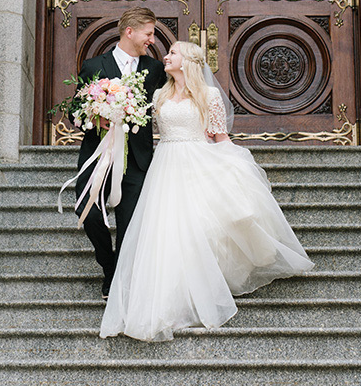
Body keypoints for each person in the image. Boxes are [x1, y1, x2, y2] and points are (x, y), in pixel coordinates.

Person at [100, 40, 314, 341]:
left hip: (196, 161)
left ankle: (197, 290)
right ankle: (167, 298)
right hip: (165, 165)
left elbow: (218, 135)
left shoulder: (208, 95)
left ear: (186, 60)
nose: (166, 56)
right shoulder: (159, 93)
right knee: (166, 232)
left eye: (172, 53)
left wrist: (238, 164)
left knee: (197, 228)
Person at [72, 7, 166, 299]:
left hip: (137, 160)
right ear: (130, 31)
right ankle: (108, 264)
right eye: (148, 34)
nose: (151, 40)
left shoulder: (154, 70)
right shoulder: (92, 66)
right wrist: (93, 115)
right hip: (98, 155)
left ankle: (120, 278)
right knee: (87, 210)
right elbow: (74, 110)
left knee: (129, 222)